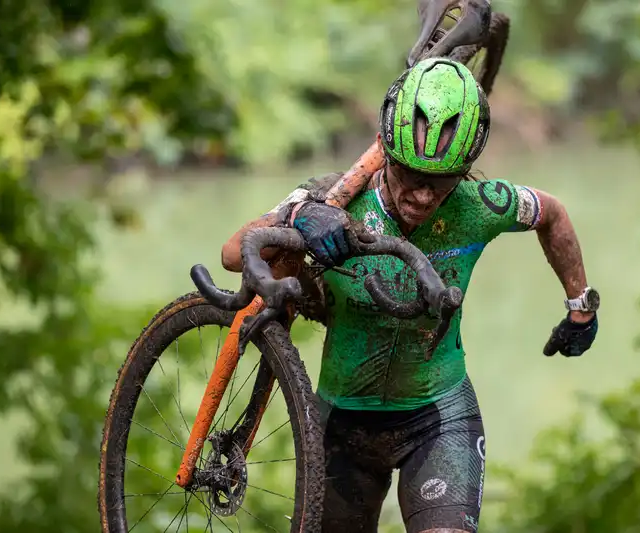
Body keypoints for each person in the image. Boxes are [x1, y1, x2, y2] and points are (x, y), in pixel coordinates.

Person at [221, 57, 600, 533]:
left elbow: (552, 213)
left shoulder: (480, 205)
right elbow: (234, 253)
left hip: (438, 418)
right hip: (341, 424)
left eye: (440, 185)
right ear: (387, 155)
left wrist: (580, 305)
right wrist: (297, 218)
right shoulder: (331, 197)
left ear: (463, 173)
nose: (422, 196)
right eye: (410, 177)